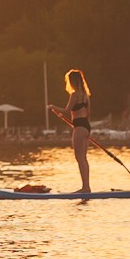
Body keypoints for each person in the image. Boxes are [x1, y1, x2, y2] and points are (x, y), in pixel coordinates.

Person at [48, 67, 93, 195]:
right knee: (83, 158)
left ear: (72, 81)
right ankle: (86, 187)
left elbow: (67, 111)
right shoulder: (86, 95)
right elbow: (88, 113)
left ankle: (85, 188)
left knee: (79, 158)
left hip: (79, 127)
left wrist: (52, 107)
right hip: (86, 126)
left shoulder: (74, 95)